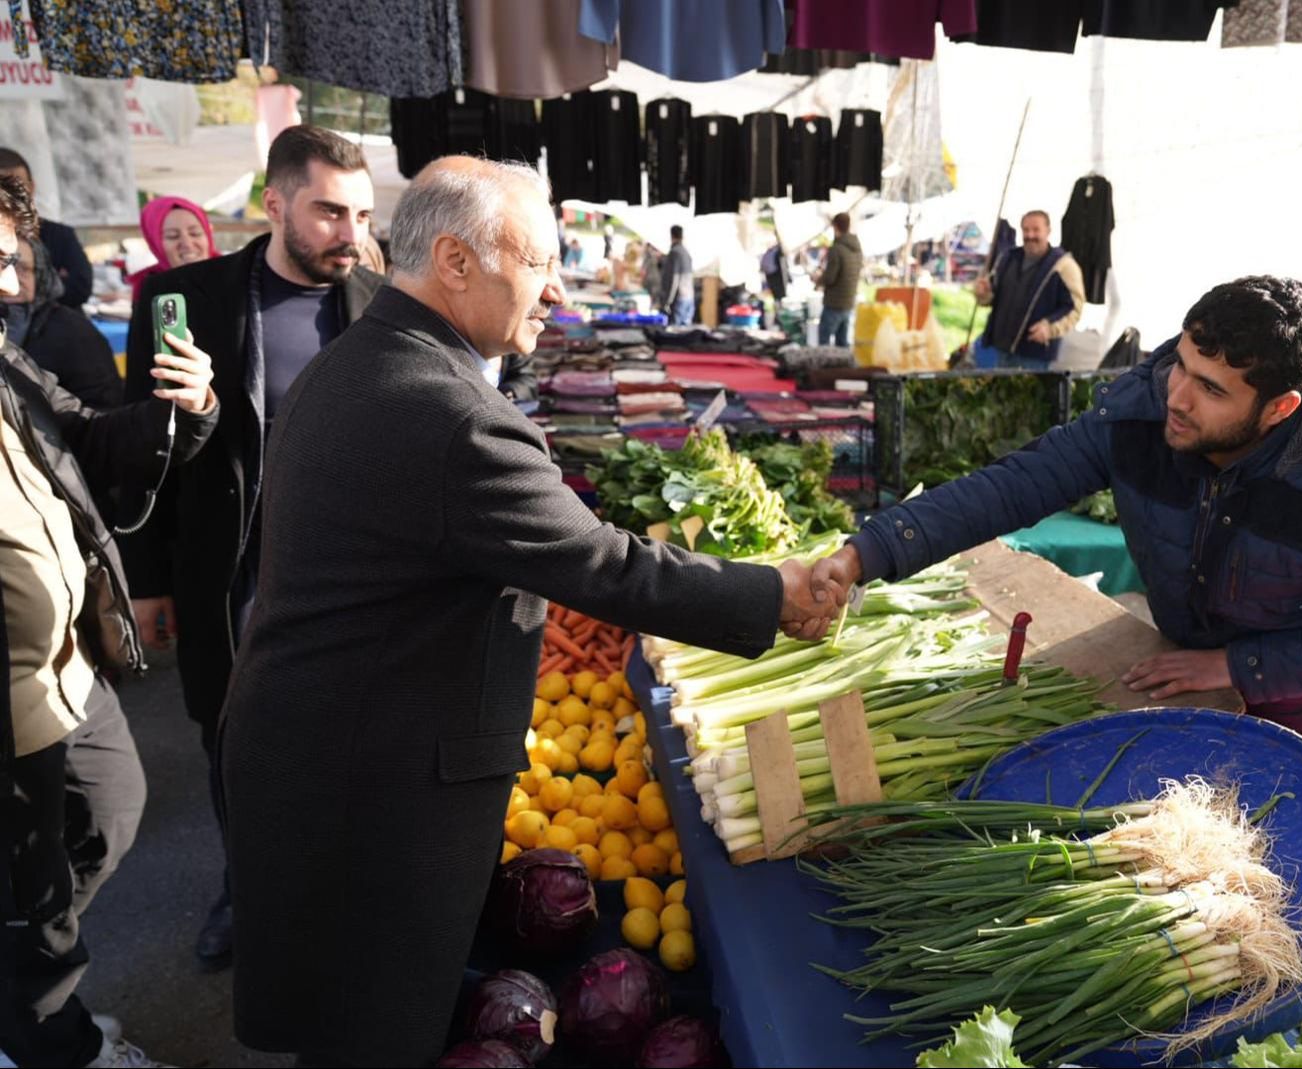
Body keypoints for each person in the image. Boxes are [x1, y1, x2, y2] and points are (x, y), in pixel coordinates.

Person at [219, 157, 842, 1067]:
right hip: (372, 786)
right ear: (454, 261)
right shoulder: (450, 412)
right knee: (372, 1032)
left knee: (342, 1019)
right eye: (540, 262)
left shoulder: (357, 359)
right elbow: (603, 564)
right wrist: (772, 593)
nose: (558, 291)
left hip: (321, 750)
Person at [814, 276, 1302, 766]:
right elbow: (1012, 487)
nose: (1178, 397)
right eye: (1181, 365)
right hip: (1177, 678)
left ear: (1280, 409)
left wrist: (1235, 665)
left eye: (1212, 389)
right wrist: (865, 553)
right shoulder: (1139, 415)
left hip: (1294, 713)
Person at [115, 124, 385, 971]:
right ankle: (245, 889)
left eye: (362, 214)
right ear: (274, 204)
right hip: (230, 572)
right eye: (330, 212)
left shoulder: (380, 300)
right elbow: (144, 450)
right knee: (233, 744)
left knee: (342, 741)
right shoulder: (185, 297)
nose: (350, 233)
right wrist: (148, 580)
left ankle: (332, 891)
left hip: (349, 579)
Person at [0, 172, 218, 1069]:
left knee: (112, 810)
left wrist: (183, 407)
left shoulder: (6, 355)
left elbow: (87, 432)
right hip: (13, 699)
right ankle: (52, 1038)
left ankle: (26, 991)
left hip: (67, 664)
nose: (12, 283)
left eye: (10, 260)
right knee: (33, 889)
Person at [2, 237, 122, 409]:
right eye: (2, 265)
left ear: (41, 275)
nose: (12, 279)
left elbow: (102, 406)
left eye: (24, 269)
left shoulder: (73, 332)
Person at [972, 209, 1085, 370]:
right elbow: (991, 296)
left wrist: (1049, 328)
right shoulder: (1008, 258)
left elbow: (1074, 308)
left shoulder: (1064, 266)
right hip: (1000, 349)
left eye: (1036, 230)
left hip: (1034, 356)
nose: (1030, 235)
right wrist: (983, 293)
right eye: (1026, 230)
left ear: (1048, 231)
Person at [0, 150, 93, 310]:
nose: (14, 288)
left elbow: (80, 287)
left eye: (25, 269)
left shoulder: (60, 235)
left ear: (31, 188)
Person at [124, 197, 218, 303]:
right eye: (173, 236)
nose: (187, 244)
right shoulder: (150, 290)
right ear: (155, 243)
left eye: (195, 233)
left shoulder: (230, 276)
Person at [816, 213, 862, 346]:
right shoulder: (856, 248)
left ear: (835, 227)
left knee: (824, 342)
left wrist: (818, 279)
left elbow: (830, 278)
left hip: (834, 303)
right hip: (849, 301)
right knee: (842, 344)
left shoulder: (837, 249)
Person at [660, 224, 695, 325]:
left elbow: (674, 279)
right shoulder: (686, 253)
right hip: (689, 296)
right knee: (686, 331)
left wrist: (668, 301)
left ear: (671, 236)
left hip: (678, 298)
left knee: (675, 331)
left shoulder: (674, 253)